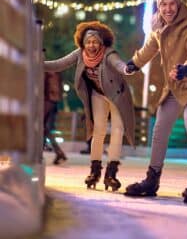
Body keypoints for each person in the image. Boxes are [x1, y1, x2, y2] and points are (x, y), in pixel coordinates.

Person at [124, 0, 187, 204]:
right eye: (163, 4)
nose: (168, 9)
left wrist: (186, 68)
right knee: (160, 125)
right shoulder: (158, 25)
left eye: (171, 3)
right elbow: (150, 49)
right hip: (175, 83)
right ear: (159, 5)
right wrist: (134, 63)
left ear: (178, 3)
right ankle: (151, 180)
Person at [44, 21, 136, 191]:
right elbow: (59, 64)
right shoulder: (80, 54)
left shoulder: (108, 54)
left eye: (95, 41)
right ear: (83, 43)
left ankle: (111, 173)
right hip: (98, 94)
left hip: (117, 95)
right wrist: (38, 64)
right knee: (98, 130)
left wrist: (127, 69)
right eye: (88, 42)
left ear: (101, 42)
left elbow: (119, 64)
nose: (91, 45)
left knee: (117, 130)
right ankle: (95, 171)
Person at [44, 71, 67, 165]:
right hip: (51, 100)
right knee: (44, 128)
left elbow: (54, 89)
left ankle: (59, 152)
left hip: (47, 100)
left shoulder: (50, 73)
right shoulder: (54, 73)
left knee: (41, 127)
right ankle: (59, 152)